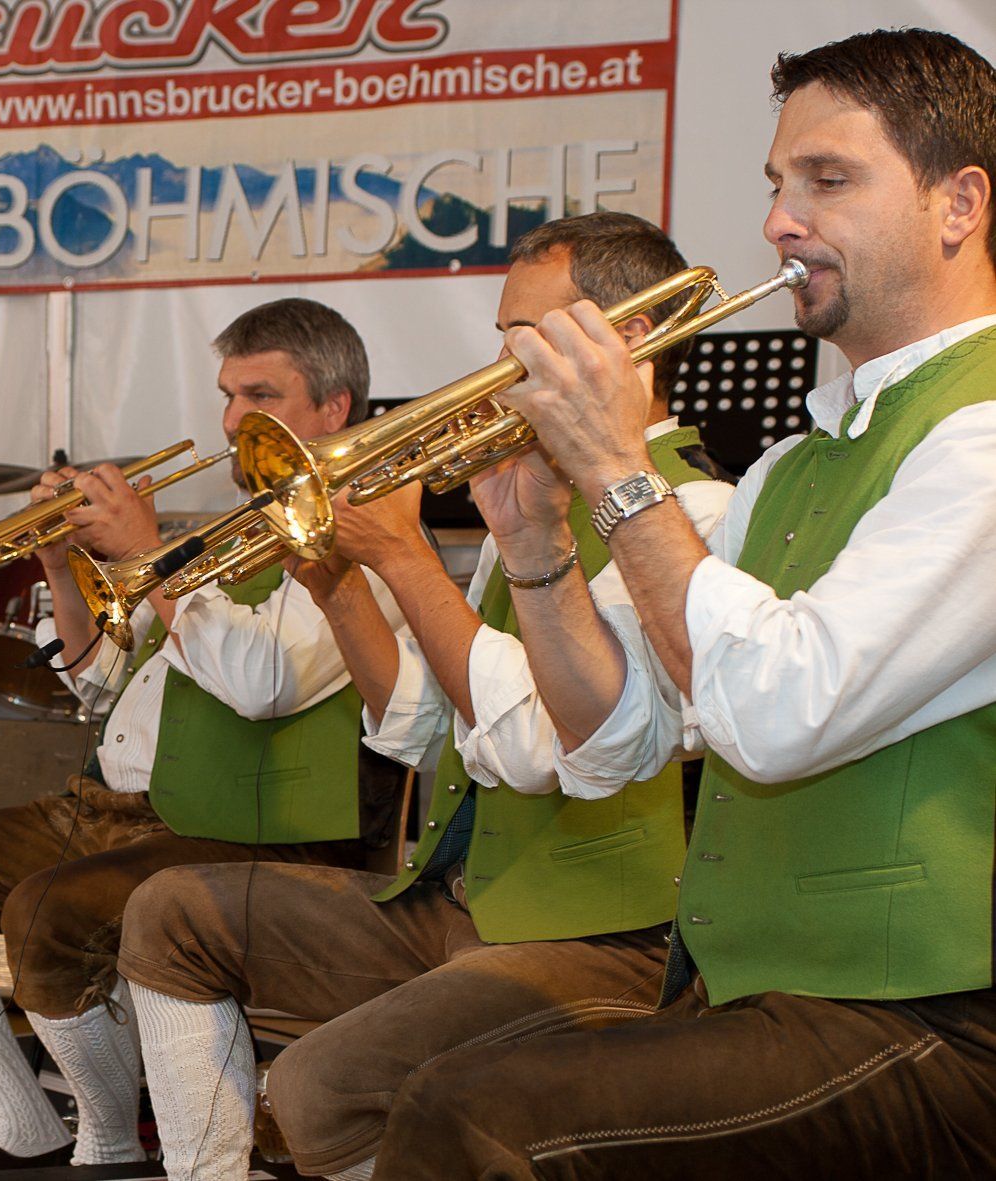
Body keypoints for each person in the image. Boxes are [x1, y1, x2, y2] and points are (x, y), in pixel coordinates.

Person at [372, 28, 996, 1178]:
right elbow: (611, 740)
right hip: (765, 984)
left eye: (826, 179)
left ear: (958, 204)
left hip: (931, 1014)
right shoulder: (788, 466)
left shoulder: (981, 433)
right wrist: (532, 546)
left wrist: (617, 469)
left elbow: (779, 713)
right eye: (774, 183)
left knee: (472, 1114)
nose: (777, 221)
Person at [115, 213, 735, 1181]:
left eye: (523, 337)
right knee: (172, 909)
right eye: (502, 336)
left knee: (317, 1087)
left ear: (626, 338)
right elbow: (427, 731)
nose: (495, 369)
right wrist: (338, 583)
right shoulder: (529, 488)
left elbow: (541, 750)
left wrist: (407, 556)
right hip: (457, 896)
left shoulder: (691, 513)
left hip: (606, 936)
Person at [0, 298, 406, 1171]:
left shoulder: (366, 536)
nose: (231, 420)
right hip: (112, 807)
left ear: (334, 408)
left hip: (248, 830)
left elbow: (263, 686)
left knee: (47, 914)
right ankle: (25, 1124)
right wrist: (63, 567)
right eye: (226, 395)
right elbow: (98, 678)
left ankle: (106, 1147)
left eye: (259, 395)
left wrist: (150, 550)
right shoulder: (219, 530)